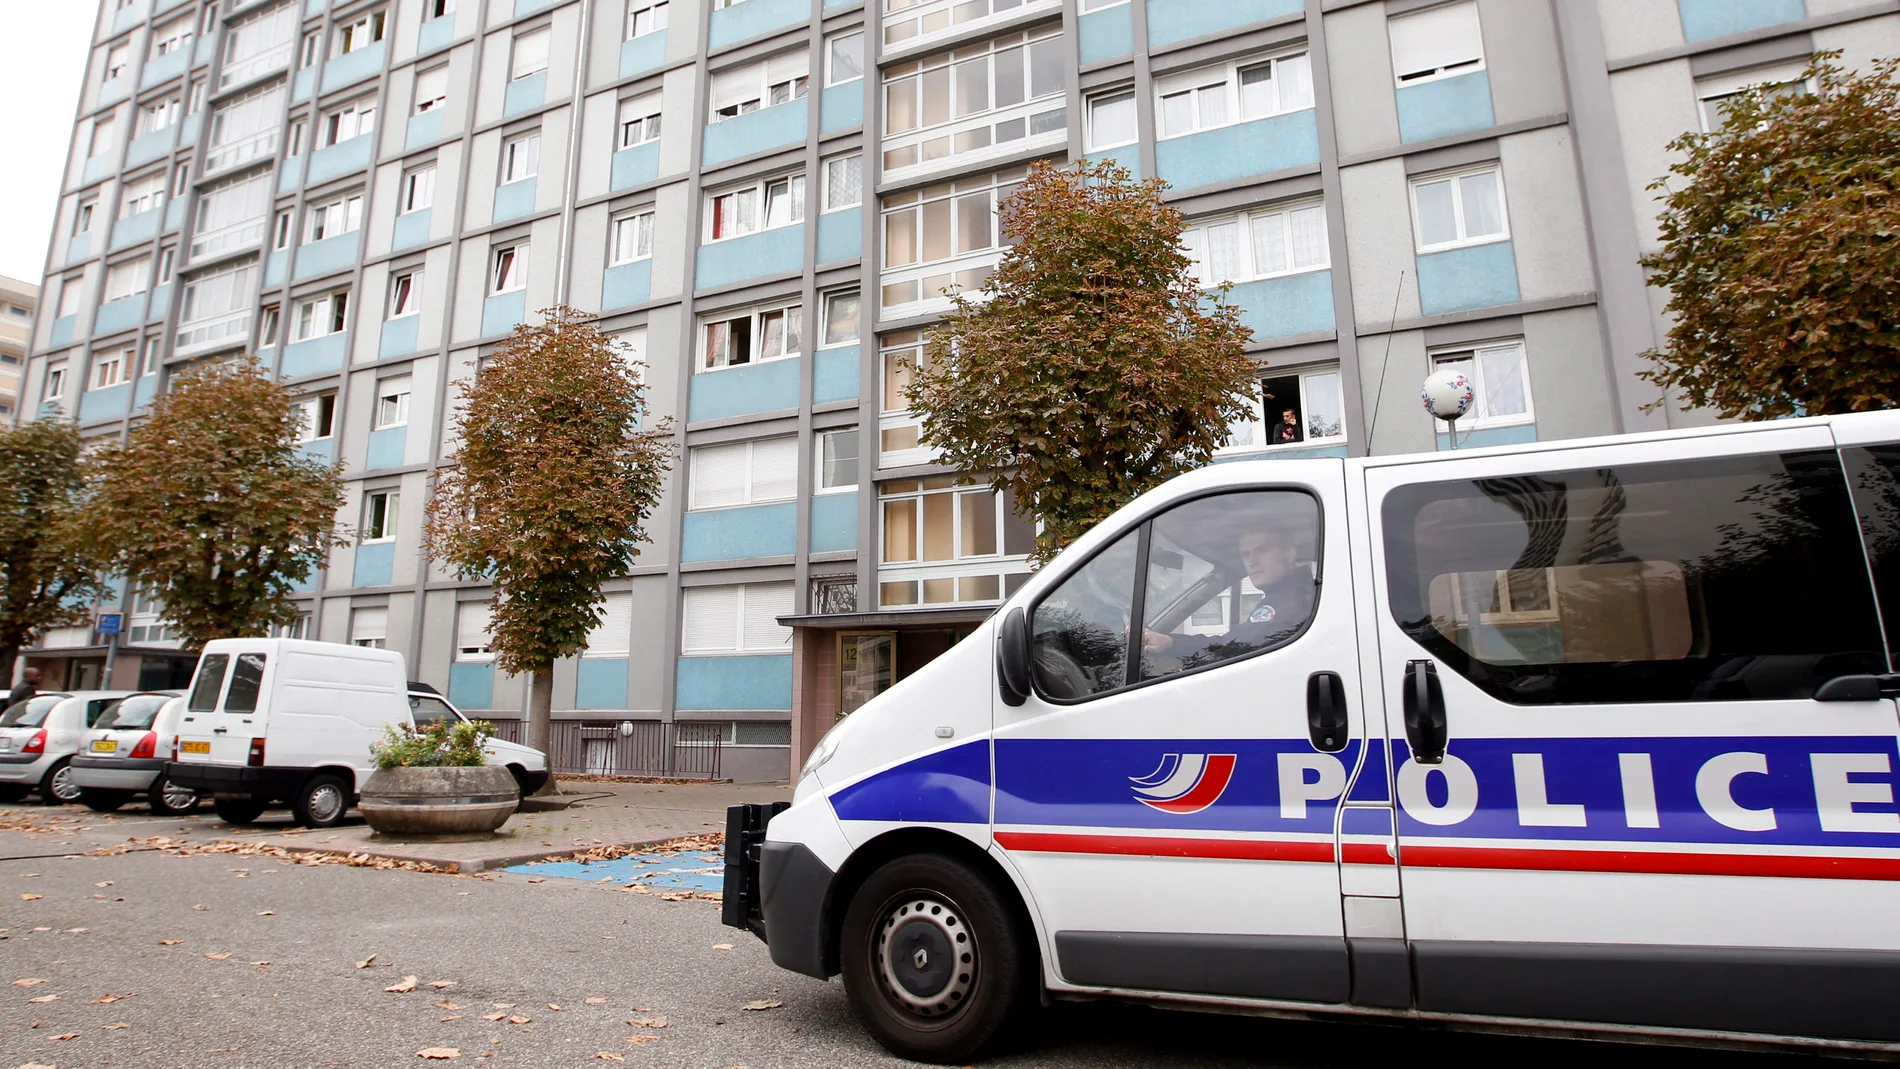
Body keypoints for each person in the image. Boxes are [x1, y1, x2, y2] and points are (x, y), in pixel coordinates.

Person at [1141, 519, 1315, 668]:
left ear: (1289, 553)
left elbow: (1230, 649)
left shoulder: (1290, 601)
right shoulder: (1295, 593)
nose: (1252, 561)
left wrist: (1171, 643)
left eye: (1262, 550)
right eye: (1246, 554)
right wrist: (1170, 641)